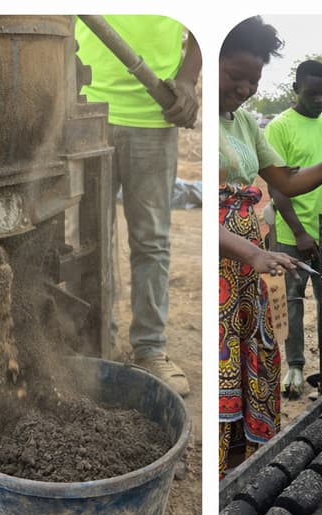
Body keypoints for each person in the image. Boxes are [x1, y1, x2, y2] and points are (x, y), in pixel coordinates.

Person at [217, 16, 322, 476]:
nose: (245, 88)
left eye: (253, 80)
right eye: (235, 76)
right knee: (224, 357)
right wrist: (255, 253)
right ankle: (222, 467)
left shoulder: (245, 122)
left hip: (248, 266)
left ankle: (245, 460)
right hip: (225, 265)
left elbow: (285, 180)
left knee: (257, 352)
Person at [75, 16, 201, 396]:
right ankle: (96, 341)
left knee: (151, 241)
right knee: (89, 241)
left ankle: (149, 348)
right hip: (83, 110)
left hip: (153, 113)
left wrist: (188, 78)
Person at [264, 59, 322, 398]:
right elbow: (277, 186)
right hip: (291, 236)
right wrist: (299, 232)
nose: (319, 99)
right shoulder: (279, 127)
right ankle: (295, 365)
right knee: (292, 301)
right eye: (312, 93)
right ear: (296, 89)